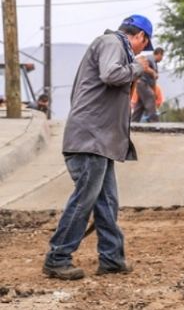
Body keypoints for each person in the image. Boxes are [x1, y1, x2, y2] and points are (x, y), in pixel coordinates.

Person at [42, 15, 153, 280]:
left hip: (99, 142)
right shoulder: (112, 42)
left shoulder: (111, 46)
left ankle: (111, 258)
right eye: (143, 45)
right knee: (84, 201)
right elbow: (112, 74)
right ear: (140, 37)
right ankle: (57, 257)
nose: (141, 51)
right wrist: (138, 67)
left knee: (106, 202)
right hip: (89, 141)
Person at [132, 47, 164, 123]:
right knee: (150, 97)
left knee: (140, 106)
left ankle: (133, 123)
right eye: (162, 56)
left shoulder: (154, 62)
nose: (162, 58)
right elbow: (144, 67)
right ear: (159, 54)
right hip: (142, 83)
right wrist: (153, 72)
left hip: (144, 85)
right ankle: (154, 122)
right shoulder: (150, 58)